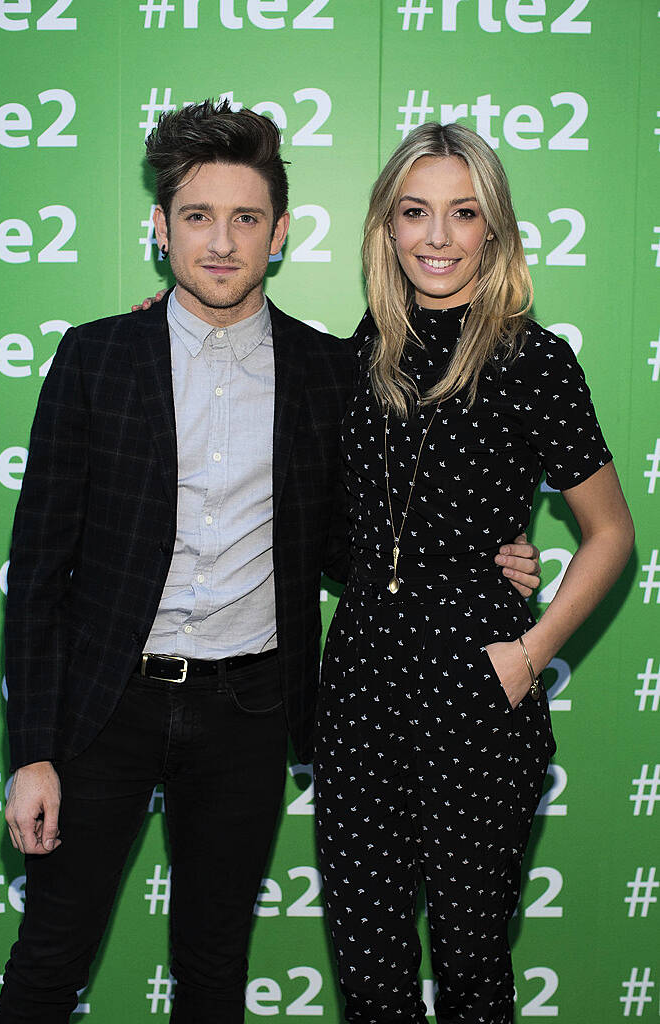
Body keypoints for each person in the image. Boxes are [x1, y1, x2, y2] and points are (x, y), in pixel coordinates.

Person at [0, 101, 541, 1024]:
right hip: (105, 709)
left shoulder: (334, 371)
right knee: (48, 961)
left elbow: (357, 532)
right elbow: (38, 572)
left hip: (248, 713)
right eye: (197, 217)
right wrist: (31, 754)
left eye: (245, 218)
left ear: (279, 233)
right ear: (160, 228)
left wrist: (478, 557)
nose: (220, 242)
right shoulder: (95, 361)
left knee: (213, 971)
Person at [313, 121, 634, 1024]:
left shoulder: (533, 361)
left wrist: (527, 655)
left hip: (477, 687)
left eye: (463, 214)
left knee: (474, 973)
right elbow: (341, 540)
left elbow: (610, 533)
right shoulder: (356, 355)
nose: (438, 237)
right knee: (371, 977)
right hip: (362, 688)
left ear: (493, 230)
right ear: (385, 227)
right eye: (415, 213)